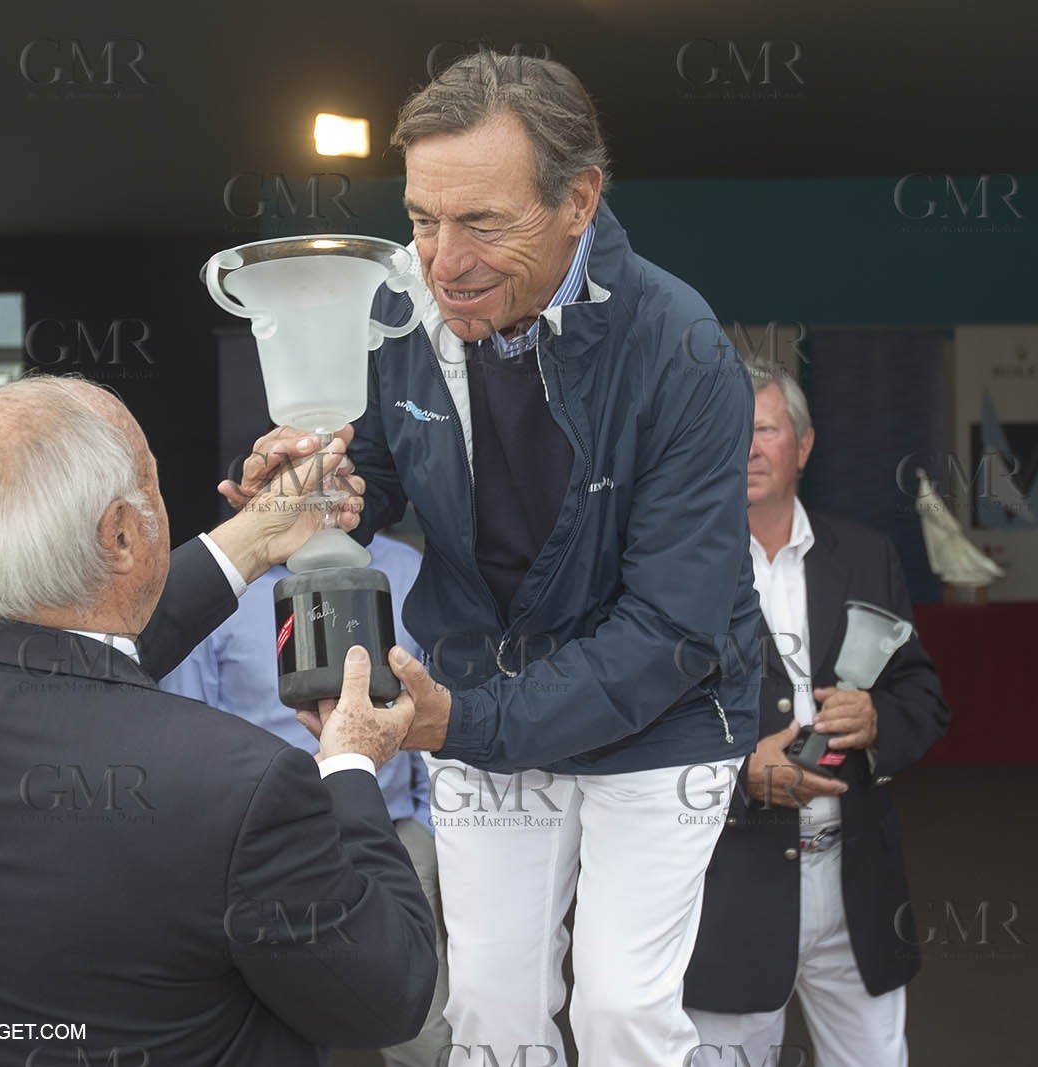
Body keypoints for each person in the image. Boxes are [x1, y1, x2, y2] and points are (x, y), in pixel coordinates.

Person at [228, 51, 764, 1065]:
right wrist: (325, 486)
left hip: (665, 717)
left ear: (579, 201)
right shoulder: (405, 310)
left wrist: (460, 719)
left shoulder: (682, 350)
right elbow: (379, 462)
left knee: (620, 1016)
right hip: (479, 684)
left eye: (481, 222)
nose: (442, 260)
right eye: (423, 219)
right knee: (487, 1017)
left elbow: (669, 631)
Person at [0, 376, 438, 1067]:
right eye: (152, 484)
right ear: (120, 532)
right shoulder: (240, 785)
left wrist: (257, 534)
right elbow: (389, 994)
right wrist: (351, 762)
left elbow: (69, 651)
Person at [683, 359, 951, 1067]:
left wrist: (880, 719)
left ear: (802, 446)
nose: (747, 449)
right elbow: (639, 720)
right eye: (730, 431)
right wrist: (740, 770)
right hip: (729, 884)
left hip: (857, 881)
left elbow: (923, 693)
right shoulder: (673, 569)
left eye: (765, 430)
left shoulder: (866, 555)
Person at [160, 530, 454, 1067]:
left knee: (420, 1026)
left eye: (340, 464)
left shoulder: (405, 568)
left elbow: (428, 700)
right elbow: (188, 717)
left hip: (389, 831)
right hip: (261, 842)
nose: (326, 485)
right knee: (268, 1015)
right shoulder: (221, 591)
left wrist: (428, 830)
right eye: (302, 470)